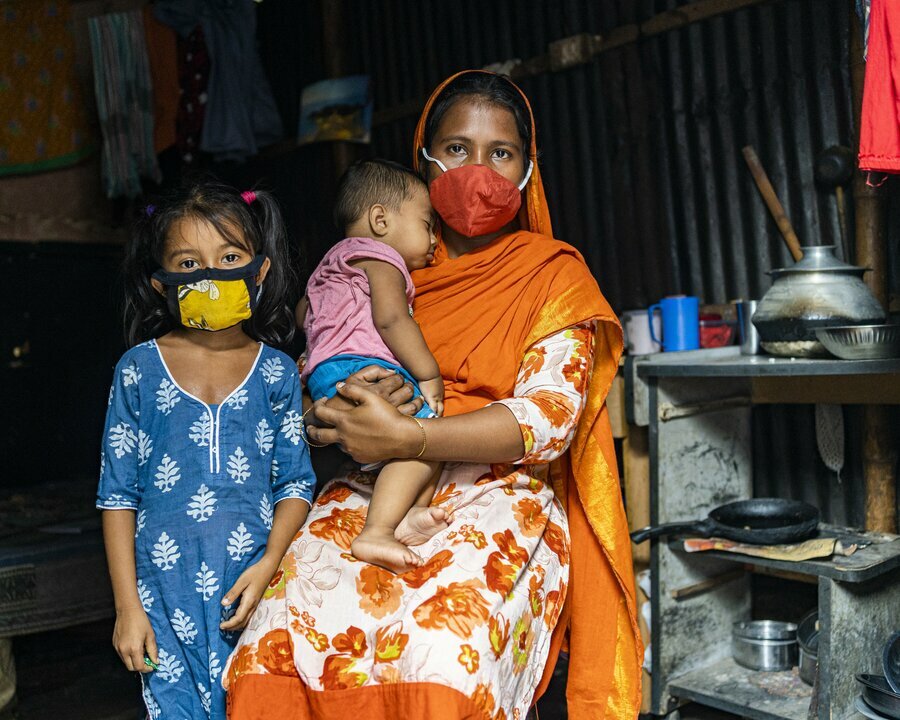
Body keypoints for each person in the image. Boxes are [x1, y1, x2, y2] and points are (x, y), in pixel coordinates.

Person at [225, 71, 642, 720]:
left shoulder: (552, 275)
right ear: (423, 157)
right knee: (276, 634)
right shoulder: (375, 265)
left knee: (442, 649)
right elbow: (320, 373)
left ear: (529, 170)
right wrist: (327, 417)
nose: (477, 169)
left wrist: (412, 436)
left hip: (502, 489)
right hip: (371, 484)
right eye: (456, 149)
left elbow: (550, 420)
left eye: (500, 153)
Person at [96, 179, 315, 719]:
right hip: (161, 598)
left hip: (256, 592)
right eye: (189, 265)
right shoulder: (138, 372)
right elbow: (117, 496)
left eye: (229, 257)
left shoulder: (277, 373)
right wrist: (128, 609)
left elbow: (296, 483)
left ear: (259, 271)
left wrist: (268, 564)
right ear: (160, 284)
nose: (211, 275)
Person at [297, 159, 446, 573]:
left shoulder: (329, 264)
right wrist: (429, 374)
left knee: (408, 448)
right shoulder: (379, 257)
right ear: (380, 220)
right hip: (368, 368)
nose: (435, 239)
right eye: (427, 223)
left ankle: (412, 513)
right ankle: (378, 530)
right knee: (424, 439)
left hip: (327, 375)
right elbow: (391, 319)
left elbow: (302, 314)